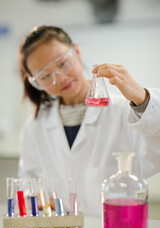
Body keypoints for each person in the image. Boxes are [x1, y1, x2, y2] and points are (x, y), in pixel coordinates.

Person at [18, 25, 160, 215]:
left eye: (62, 63)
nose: (60, 78)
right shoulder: (35, 126)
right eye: (45, 76)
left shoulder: (123, 112)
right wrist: (37, 197)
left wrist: (143, 100)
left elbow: (155, 156)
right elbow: (28, 182)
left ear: (76, 52)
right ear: (35, 83)